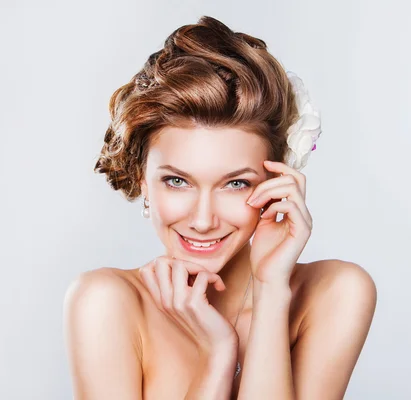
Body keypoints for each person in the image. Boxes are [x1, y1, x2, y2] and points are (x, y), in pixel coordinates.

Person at [63, 15, 377, 400]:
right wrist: (217, 357)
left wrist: (270, 291)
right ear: (143, 179)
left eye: (235, 183)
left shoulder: (336, 293)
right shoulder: (106, 303)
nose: (202, 220)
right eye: (177, 181)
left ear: (276, 182)